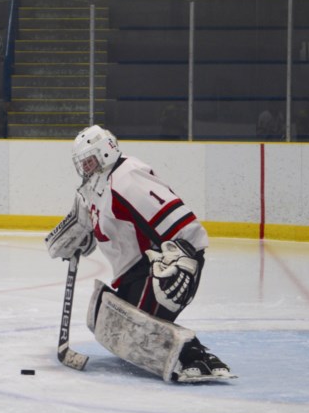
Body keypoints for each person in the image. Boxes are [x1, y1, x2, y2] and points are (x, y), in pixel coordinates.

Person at [45, 125, 234, 383]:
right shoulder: (95, 189)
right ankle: (182, 348)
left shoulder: (127, 178)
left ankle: (193, 356)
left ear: (105, 153)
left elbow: (185, 227)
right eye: (82, 163)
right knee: (106, 320)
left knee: (136, 331)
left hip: (163, 269)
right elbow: (87, 223)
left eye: (89, 161)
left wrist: (185, 262)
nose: (85, 168)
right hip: (133, 274)